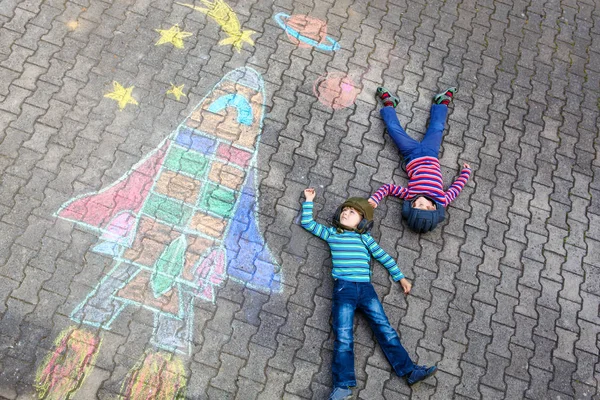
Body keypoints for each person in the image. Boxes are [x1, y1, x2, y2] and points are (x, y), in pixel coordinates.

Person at [300, 188, 437, 400]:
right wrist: (309, 201)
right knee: (343, 336)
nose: (346, 213)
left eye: (352, 212)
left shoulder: (366, 239)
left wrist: (400, 277)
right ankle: (342, 385)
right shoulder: (332, 233)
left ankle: (410, 372)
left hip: (366, 289)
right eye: (344, 210)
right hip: (343, 290)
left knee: (385, 329)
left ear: (363, 222)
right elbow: (308, 224)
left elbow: (384, 257)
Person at [368, 87, 472, 233]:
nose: (415, 203)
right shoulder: (443, 199)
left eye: (413, 206)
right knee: (437, 127)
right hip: (431, 152)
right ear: (432, 208)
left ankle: (389, 104)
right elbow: (456, 188)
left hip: (410, 153)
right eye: (419, 206)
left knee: (393, 129)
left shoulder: (410, 195)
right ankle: (442, 103)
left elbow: (388, 188)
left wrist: (375, 199)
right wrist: (466, 173)